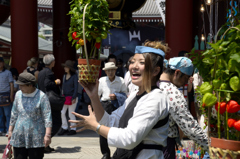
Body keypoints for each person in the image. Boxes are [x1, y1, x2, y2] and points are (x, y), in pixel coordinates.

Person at [70, 41, 170, 159]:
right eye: (132, 62)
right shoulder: (134, 96)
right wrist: (94, 97)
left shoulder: (155, 98)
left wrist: (96, 127)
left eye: (141, 62)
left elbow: (129, 139)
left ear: (155, 71)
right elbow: (111, 122)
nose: (134, 66)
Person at [159, 57, 208, 159]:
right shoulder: (172, 92)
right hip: (164, 145)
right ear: (177, 73)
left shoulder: (152, 84)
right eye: (185, 78)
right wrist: (210, 146)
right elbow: (189, 127)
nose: (185, 82)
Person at [8, 72, 52, 159]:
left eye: (22, 85)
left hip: (36, 137)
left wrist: (47, 135)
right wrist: (10, 131)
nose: (19, 87)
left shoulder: (42, 96)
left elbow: (47, 117)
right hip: (19, 135)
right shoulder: (18, 95)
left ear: (30, 85)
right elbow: (14, 113)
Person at [98, 62, 128, 159]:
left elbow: (125, 94)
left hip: (117, 106)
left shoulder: (121, 80)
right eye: (108, 70)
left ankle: (118, 152)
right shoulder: (102, 80)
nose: (110, 72)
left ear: (115, 70)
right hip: (104, 105)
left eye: (112, 70)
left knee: (119, 129)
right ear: (105, 71)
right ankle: (105, 153)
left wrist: (117, 96)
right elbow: (98, 95)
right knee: (102, 129)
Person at [38, 54, 61, 153]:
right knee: (56, 122)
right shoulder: (49, 73)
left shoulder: (41, 72)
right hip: (50, 101)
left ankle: (46, 145)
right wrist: (56, 82)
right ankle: (44, 142)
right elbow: (48, 84)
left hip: (42, 99)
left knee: (46, 122)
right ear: (52, 62)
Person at [58, 60, 78, 136]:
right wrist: (61, 95)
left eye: (66, 67)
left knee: (71, 114)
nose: (65, 68)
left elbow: (76, 87)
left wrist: (74, 97)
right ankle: (64, 127)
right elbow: (63, 87)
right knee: (62, 112)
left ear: (69, 68)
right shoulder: (64, 76)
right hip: (65, 97)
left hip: (72, 97)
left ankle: (73, 128)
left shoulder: (74, 76)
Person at [0, 57, 14, 136]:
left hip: (6, 94)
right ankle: (1, 129)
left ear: (3, 63)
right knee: (0, 114)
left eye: (1, 62)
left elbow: (11, 84)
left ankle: (9, 129)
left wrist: (11, 95)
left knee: (8, 114)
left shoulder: (8, 72)